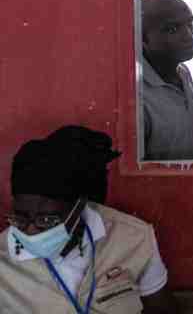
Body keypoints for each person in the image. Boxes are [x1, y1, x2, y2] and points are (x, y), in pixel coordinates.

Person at [0, 126, 175, 313]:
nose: (30, 231)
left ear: (79, 206)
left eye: (47, 220)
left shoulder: (134, 238)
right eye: (20, 218)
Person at [140, 0, 193, 160]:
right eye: (172, 29)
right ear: (143, 38)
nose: (189, 36)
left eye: (190, 24)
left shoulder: (183, 73)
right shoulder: (137, 95)